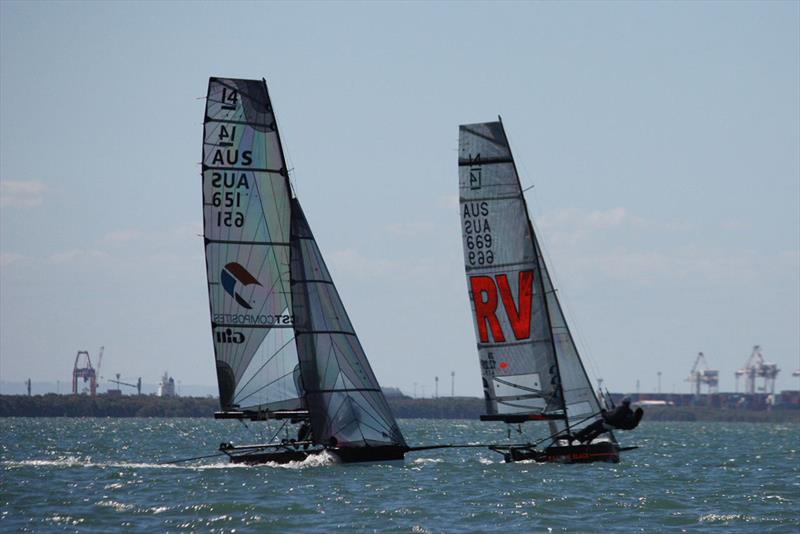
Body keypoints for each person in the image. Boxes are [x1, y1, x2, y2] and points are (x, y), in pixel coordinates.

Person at [573, 397, 643, 444]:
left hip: (612, 424)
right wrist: (613, 411)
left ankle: (579, 435)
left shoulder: (622, 409)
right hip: (615, 426)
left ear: (623, 402)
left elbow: (611, 417)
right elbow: (620, 416)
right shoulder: (630, 412)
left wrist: (603, 413)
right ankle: (586, 439)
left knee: (593, 426)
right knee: (599, 430)